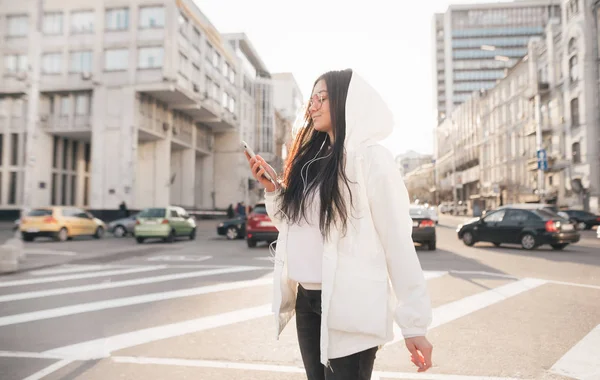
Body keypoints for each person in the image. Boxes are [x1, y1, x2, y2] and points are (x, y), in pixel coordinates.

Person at [246, 69, 433, 379]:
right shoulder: (313, 161)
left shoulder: (372, 159)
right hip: (308, 302)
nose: (313, 106)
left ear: (349, 102)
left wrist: (414, 325)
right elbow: (293, 227)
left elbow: (397, 243)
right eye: (311, 99)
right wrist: (273, 188)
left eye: (322, 98)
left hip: (350, 304)